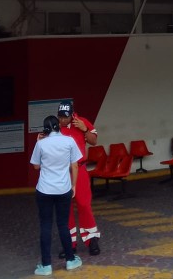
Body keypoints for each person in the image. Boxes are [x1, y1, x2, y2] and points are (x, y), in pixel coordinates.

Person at [30, 115, 84, 276]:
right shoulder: (69, 141)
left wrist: (38, 141)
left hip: (44, 190)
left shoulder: (41, 144)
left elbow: (35, 167)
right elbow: (75, 165)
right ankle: (70, 260)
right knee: (63, 224)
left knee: (45, 225)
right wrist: (73, 185)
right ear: (58, 126)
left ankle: (46, 265)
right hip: (63, 189)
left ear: (45, 129)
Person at [57, 100, 101, 257]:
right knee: (65, 207)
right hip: (61, 172)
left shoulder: (82, 122)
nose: (63, 120)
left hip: (80, 168)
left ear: (72, 114)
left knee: (84, 204)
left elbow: (94, 141)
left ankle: (92, 239)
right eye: (60, 116)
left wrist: (84, 130)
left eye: (66, 117)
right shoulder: (55, 127)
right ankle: (69, 243)